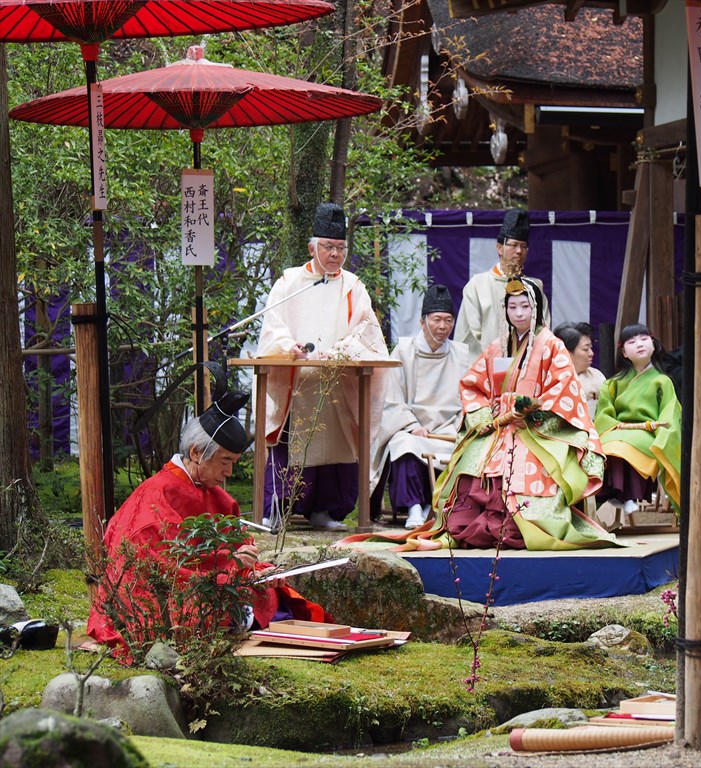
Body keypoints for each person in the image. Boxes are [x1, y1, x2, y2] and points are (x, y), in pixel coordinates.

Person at [87, 386, 330, 658]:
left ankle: (242, 616)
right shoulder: (156, 494)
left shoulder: (220, 498)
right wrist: (230, 562)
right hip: (169, 592)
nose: (229, 471)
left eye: (234, 462)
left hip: (216, 581)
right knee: (197, 610)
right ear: (195, 453)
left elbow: (238, 548)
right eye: (225, 460)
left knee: (271, 596)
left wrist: (256, 571)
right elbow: (158, 559)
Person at [432, 276, 616, 550]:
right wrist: (486, 416)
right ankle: (472, 523)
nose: (519, 313)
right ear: (505, 310)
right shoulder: (497, 346)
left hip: (537, 428)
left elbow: (565, 391)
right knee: (472, 461)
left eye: (525, 306)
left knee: (525, 463)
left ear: (536, 309)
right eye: (512, 307)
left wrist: (533, 411)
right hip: (500, 425)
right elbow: (473, 385)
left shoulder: (552, 346)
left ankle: (520, 524)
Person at [257, 202, 388, 531]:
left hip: (336, 380)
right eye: (329, 247)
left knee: (337, 445)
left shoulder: (353, 286)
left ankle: (327, 510)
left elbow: (367, 331)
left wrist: (342, 351)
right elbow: (273, 326)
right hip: (298, 381)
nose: (335, 254)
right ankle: (277, 510)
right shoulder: (289, 283)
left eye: (341, 248)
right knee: (291, 446)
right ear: (312, 247)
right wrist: (290, 347)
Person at [373, 285, 471, 529]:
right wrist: (413, 426)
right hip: (413, 427)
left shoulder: (461, 354)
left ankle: (435, 504)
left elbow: (470, 397)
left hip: (448, 428)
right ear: (422, 321)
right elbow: (392, 398)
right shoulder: (404, 352)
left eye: (448, 320)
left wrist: (461, 424)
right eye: (436, 319)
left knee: (465, 446)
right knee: (403, 445)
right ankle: (414, 507)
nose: (442, 326)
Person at [594, 324, 682, 519]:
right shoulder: (613, 383)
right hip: (617, 430)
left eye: (644, 339)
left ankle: (625, 494)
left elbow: (669, 413)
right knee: (609, 448)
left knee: (620, 448)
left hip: (647, 432)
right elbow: (603, 414)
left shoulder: (662, 381)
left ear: (653, 345)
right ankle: (620, 494)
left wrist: (663, 434)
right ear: (624, 352)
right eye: (631, 342)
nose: (639, 344)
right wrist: (612, 425)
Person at [453, 209, 549, 357]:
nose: (519, 251)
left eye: (523, 246)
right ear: (499, 248)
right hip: (486, 365)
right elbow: (467, 335)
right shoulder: (478, 285)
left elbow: (543, 330)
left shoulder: (535, 287)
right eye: (514, 245)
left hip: (525, 366)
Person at [553, 321, 605, 419]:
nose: (591, 353)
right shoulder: (548, 378)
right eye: (586, 349)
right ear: (566, 351)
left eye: (591, 348)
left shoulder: (597, 376)